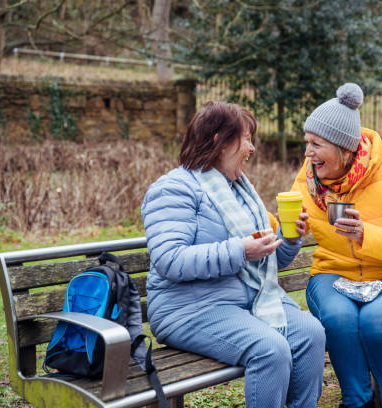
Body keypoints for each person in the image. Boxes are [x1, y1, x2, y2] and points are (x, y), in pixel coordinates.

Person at [141, 101, 326, 408]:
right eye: (246, 138)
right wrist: (240, 250)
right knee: (270, 349)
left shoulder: (239, 191)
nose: (252, 148)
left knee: (311, 334)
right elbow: (170, 260)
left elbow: (265, 263)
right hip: (189, 308)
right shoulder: (173, 189)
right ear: (219, 140)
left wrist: (289, 237)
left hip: (245, 299)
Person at [291, 83, 382, 408]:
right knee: (338, 318)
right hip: (333, 274)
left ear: (344, 149)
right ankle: (357, 402)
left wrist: (364, 236)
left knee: (378, 320)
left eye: (316, 144)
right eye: (306, 143)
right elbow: (286, 221)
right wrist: (275, 225)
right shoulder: (309, 177)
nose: (307, 153)